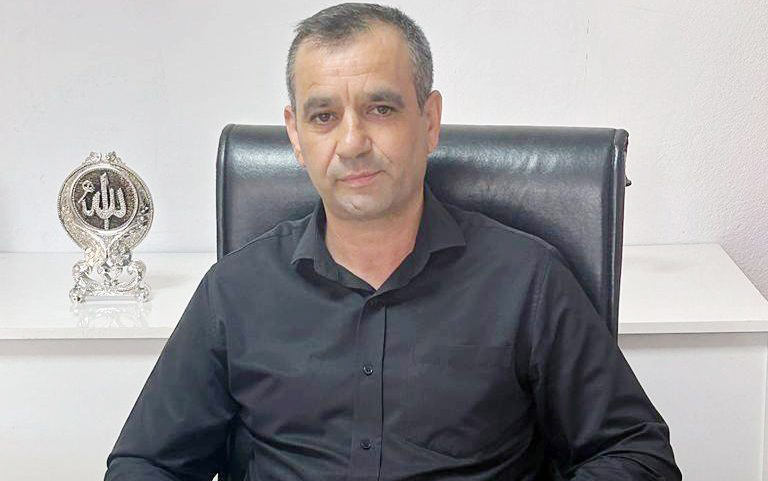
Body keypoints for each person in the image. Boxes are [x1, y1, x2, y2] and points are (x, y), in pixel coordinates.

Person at [105, 3, 682, 480]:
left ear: (429, 121)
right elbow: (145, 463)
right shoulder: (235, 291)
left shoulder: (527, 280)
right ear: (296, 136)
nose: (352, 142)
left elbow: (637, 453)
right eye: (324, 116)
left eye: (380, 108)